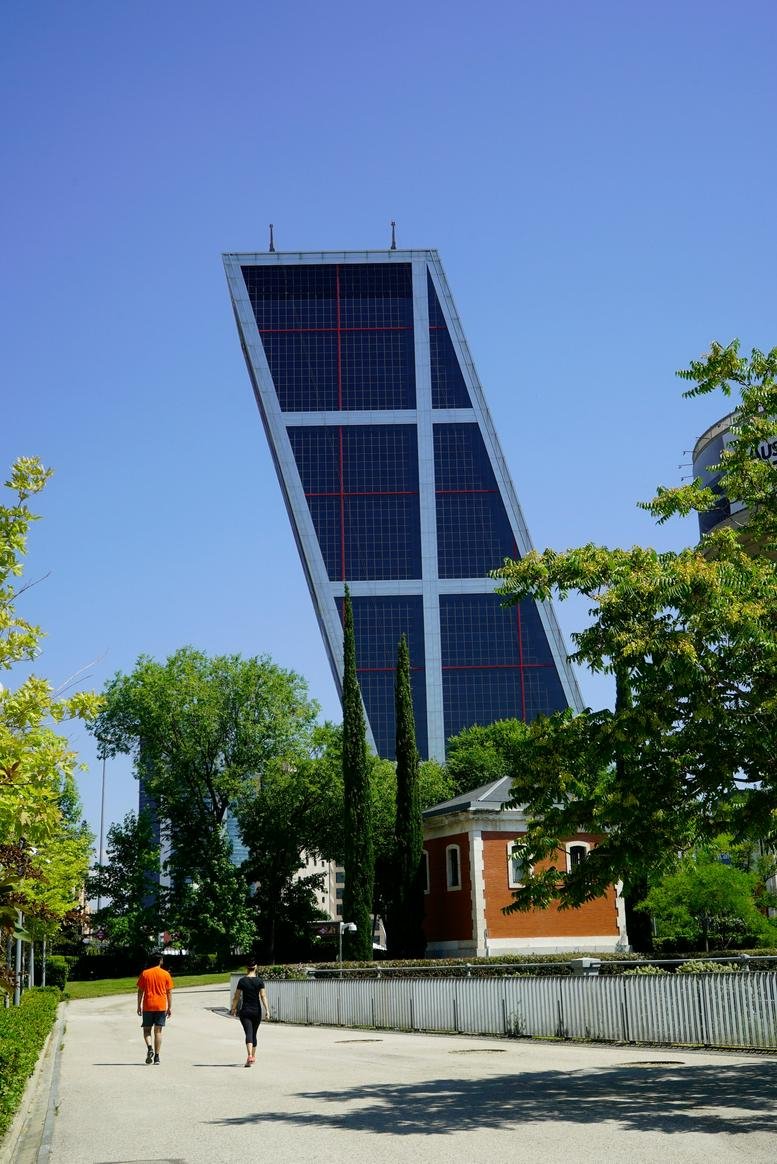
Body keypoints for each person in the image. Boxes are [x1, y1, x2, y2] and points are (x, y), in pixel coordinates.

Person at [230, 960, 270, 1066]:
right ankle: (252, 1057)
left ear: (246, 967)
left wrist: (233, 1008)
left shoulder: (242, 981)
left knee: (248, 1033)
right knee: (254, 1034)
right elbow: (263, 996)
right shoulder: (259, 981)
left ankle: (249, 1056)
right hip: (257, 1011)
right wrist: (267, 1010)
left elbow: (236, 996)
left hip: (245, 1011)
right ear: (255, 967)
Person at [136, 952, 174, 1065]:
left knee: (147, 1030)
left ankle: (149, 1048)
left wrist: (138, 1005)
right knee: (158, 1031)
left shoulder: (145, 973)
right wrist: (170, 1007)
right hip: (161, 1006)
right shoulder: (166, 974)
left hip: (148, 1005)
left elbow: (140, 991)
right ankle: (157, 1057)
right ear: (160, 961)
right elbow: (169, 992)